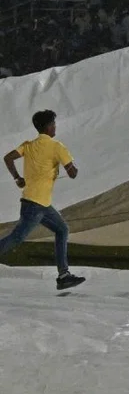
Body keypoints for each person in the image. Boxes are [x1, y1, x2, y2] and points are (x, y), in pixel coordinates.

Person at [1, 110, 85, 290]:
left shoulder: (28, 145)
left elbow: (7, 158)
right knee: (16, 238)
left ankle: (63, 275)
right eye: (53, 124)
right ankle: (63, 275)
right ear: (47, 127)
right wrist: (72, 169)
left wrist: (18, 178)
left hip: (39, 204)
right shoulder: (57, 147)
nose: (55, 127)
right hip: (36, 206)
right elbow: (73, 174)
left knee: (62, 229)